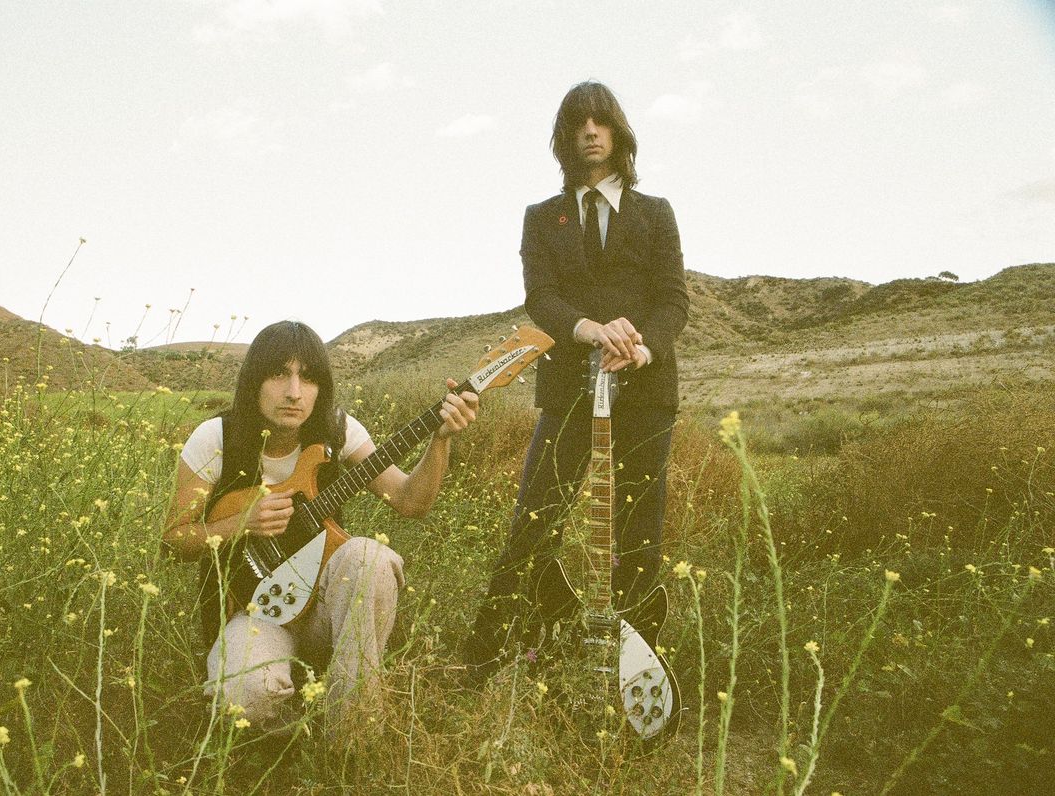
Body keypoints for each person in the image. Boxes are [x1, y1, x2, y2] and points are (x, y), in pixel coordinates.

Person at [463, 80, 688, 676]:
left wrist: (639, 348)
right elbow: (542, 299)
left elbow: (673, 304)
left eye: (601, 121)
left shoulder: (656, 214)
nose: (590, 131)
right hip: (567, 389)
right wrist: (589, 329)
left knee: (640, 531)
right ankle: (485, 656)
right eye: (577, 123)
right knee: (535, 516)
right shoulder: (542, 219)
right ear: (564, 139)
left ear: (618, 133)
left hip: (646, 392)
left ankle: (636, 676)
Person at [163, 320, 478, 735]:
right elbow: (173, 541)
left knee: (370, 557)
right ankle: (305, 716)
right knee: (244, 699)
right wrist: (241, 522)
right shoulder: (216, 437)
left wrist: (440, 440)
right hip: (256, 611)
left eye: (308, 378)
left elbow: (409, 501)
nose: (294, 392)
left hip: (326, 609)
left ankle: (351, 731)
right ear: (254, 380)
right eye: (279, 374)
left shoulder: (338, 430)